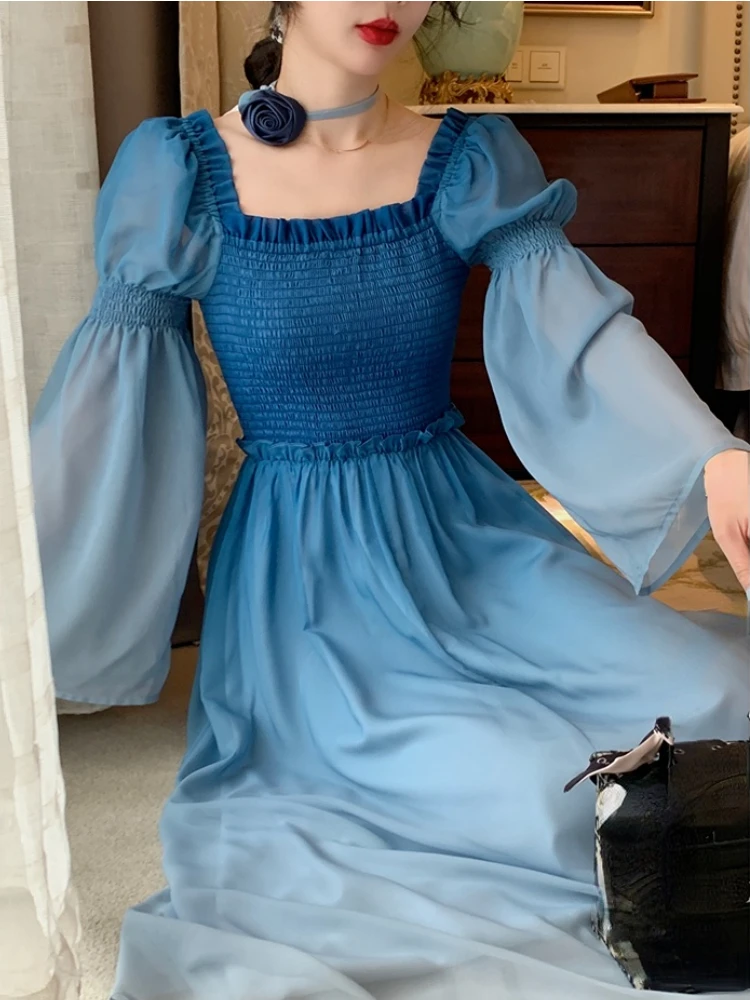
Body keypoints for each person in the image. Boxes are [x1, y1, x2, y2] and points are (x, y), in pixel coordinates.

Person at [31, 3, 750, 998]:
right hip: (306, 585)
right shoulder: (181, 172)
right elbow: (104, 411)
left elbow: (581, 330)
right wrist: (30, 573)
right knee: (518, 780)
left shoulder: (464, 159)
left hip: (466, 537)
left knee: (718, 685)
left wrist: (713, 455)